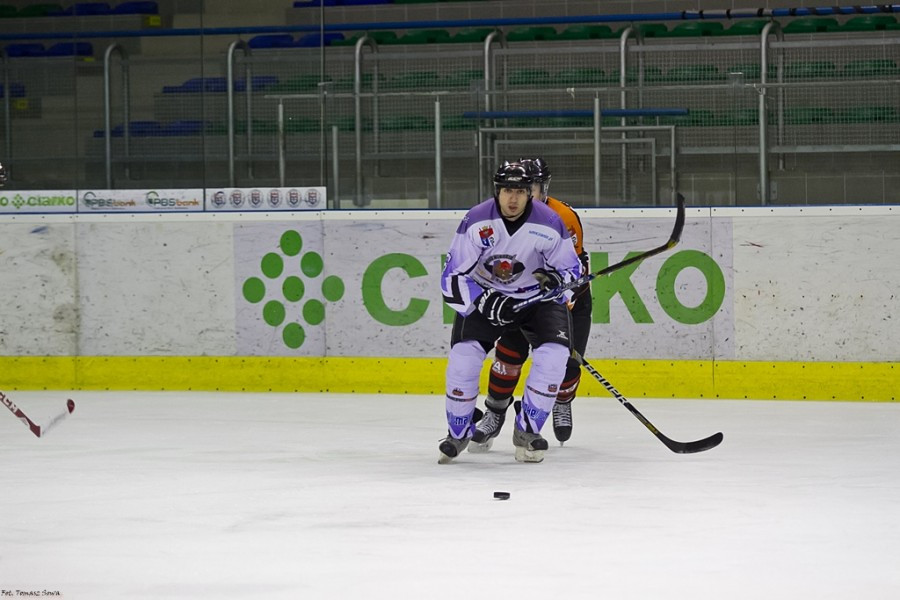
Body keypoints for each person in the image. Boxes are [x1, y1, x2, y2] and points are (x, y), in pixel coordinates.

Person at [438, 161, 582, 464]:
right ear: (496, 191)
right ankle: (458, 431)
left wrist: (558, 280)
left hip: (536, 301)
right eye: (506, 190)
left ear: (530, 193)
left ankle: (527, 431)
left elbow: (572, 270)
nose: (512, 198)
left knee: (554, 356)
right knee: (463, 357)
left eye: (519, 191)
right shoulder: (476, 220)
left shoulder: (550, 222)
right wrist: (482, 300)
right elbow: (452, 277)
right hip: (486, 296)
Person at [470, 158, 592, 450]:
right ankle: (494, 412)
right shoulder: (497, 216)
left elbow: (574, 267)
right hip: (518, 298)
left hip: (561, 302)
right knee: (508, 358)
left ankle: (561, 401)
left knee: (566, 363)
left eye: (532, 188)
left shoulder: (563, 216)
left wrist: (560, 298)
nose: (524, 195)